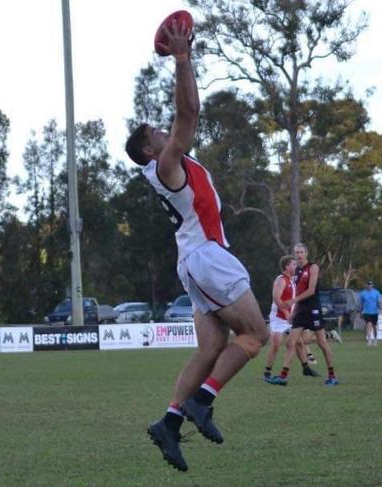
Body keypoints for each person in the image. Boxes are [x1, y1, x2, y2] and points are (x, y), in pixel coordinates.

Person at [125, 20, 269, 473]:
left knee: (211, 348)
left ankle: (169, 422)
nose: (166, 135)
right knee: (257, 336)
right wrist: (183, 58)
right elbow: (188, 114)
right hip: (208, 255)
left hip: (192, 261)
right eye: (157, 135)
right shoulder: (168, 164)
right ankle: (203, 401)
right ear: (151, 152)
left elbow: (182, 123)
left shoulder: (169, 165)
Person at [267, 243, 339, 386]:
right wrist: (293, 312)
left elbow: (311, 290)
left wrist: (294, 300)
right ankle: (283, 376)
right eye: (296, 253)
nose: (299, 255)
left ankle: (332, 376)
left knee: (321, 343)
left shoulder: (313, 268)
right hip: (301, 311)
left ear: (306, 253)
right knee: (290, 343)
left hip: (313, 309)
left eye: (301, 252)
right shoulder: (297, 271)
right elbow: (295, 290)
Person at [263, 256, 318, 382]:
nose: (296, 266)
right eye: (293, 264)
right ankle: (267, 372)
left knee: (299, 342)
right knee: (276, 345)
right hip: (278, 318)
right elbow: (277, 298)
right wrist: (286, 312)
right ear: (287, 267)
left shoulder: (292, 281)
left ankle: (306, 368)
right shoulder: (281, 280)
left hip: (289, 319)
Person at [360, 280, 382, 346]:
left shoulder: (376, 292)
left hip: (374, 312)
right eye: (368, 284)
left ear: (372, 285)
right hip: (366, 312)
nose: (369, 285)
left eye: (370, 284)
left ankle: (375, 339)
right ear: (366, 285)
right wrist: (360, 312)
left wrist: (380, 309)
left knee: (374, 326)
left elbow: (379, 301)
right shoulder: (363, 293)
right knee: (368, 325)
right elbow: (361, 304)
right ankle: (369, 340)